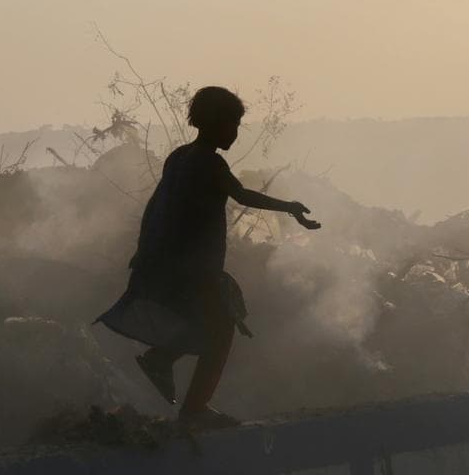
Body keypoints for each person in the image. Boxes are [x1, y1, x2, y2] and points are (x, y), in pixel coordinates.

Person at [95, 86, 320, 431]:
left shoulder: (179, 157)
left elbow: (155, 206)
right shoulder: (207, 161)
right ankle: (193, 408)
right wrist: (288, 207)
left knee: (205, 324)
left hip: (170, 262)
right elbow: (242, 194)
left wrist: (144, 252)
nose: (235, 132)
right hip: (192, 268)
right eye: (233, 124)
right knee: (221, 330)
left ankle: (162, 361)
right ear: (216, 123)